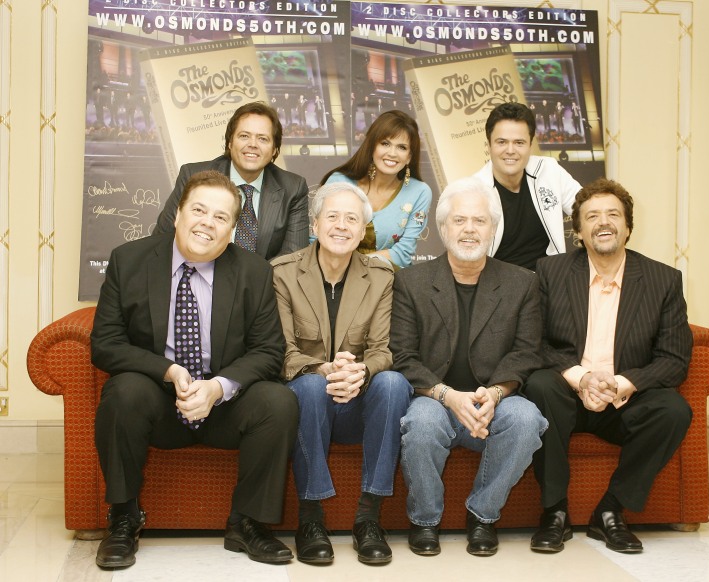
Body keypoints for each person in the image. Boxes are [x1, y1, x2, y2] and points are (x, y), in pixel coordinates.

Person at [91, 170, 299, 569]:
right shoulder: (128, 260)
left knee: (278, 400)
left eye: (221, 217)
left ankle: (248, 523)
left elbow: (269, 350)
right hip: (158, 403)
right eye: (199, 210)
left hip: (223, 408)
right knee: (124, 391)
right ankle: (123, 517)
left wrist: (218, 388)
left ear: (233, 230)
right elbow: (106, 345)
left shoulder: (254, 272)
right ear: (178, 214)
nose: (208, 222)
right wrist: (168, 371)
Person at [523, 178, 693, 554]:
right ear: (579, 231)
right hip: (565, 396)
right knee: (538, 385)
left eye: (613, 215)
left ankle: (610, 511)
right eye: (592, 216)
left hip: (624, 402)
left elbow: (674, 360)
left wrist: (623, 382)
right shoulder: (549, 272)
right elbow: (533, 343)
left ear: (628, 226)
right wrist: (581, 378)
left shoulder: (663, 280)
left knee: (674, 409)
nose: (604, 223)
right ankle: (554, 512)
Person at [390, 177, 548, 557]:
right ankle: (425, 521)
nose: (469, 230)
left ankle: (483, 516)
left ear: (493, 230)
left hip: (493, 397)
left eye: (479, 221)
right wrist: (447, 396)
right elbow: (402, 355)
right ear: (443, 229)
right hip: (434, 396)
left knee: (528, 419)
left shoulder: (521, 282)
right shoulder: (411, 282)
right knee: (423, 423)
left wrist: (494, 393)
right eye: (459, 221)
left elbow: (527, 351)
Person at [272, 182, 412, 565]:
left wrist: (362, 372)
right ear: (314, 226)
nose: (341, 225)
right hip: (309, 405)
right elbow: (281, 352)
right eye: (332, 216)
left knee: (394, 382)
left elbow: (384, 349)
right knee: (310, 387)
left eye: (352, 218)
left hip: (358, 403)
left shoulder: (382, 277)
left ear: (362, 230)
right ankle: (311, 519)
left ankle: (369, 517)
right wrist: (323, 369)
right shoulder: (282, 274)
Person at [153, 101, 309, 260]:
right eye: (244, 136)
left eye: (262, 139)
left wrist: (254, 281)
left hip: (263, 281)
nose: (252, 144)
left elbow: (292, 258)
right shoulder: (194, 176)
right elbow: (162, 239)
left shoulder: (293, 188)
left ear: (275, 149)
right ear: (230, 142)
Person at [474, 102, 582, 270]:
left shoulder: (549, 170)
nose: (510, 150)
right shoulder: (474, 190)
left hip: (550, 281)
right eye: (501, 142)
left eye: (519, 142)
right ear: (489, 145)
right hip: (499, 286)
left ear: (530, 145)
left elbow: (587, 209)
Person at [321, 110, 432, 270]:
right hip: (334, 277)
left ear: (409, 156)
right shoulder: (338, 182)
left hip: (391, 282)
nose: (392, 153)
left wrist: (355, 268)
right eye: (385, 143)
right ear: (372, 146)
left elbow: (403, 252)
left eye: (401, 147)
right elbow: (318, 240)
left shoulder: (420, 192)